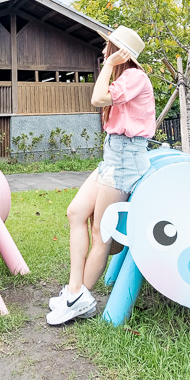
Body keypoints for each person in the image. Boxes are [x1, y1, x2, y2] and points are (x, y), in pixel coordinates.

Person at [46, 25, 156, 326]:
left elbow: (97, 99)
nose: (102, 52)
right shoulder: (125, 76)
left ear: (121, 53)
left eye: (107, 47)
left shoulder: (134, 77)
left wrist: (108, 65)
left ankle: (79, 299)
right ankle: (74, 290)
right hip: (113, 154)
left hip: (125, 158)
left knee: (101, 232)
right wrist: (109, 66)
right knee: (75, 212)